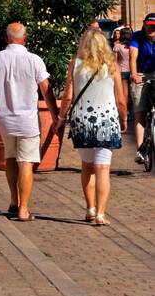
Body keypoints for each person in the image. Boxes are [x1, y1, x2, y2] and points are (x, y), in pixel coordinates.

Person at [0, 23, 60, 222]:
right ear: (25, 38)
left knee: (10, 158)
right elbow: (46, 90)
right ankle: (24, 209)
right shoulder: (34, 60)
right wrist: (56, 116)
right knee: (26, 162)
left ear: (6, 38)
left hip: (4, 119)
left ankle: (14, 202)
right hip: (28, 121)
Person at [58, 28, 127, 225]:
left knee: (87, 167)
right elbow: (120, 99)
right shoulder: (112, 66)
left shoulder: (75, 64)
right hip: (106, 121)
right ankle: (101, 214)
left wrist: (61, 118)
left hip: (82, 122)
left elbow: (68, 96)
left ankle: (90, 208)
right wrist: (123, 119)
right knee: (103, 169)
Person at [128, 14, 155, 165]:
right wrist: (133, 74)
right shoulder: (137, 36)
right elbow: (133, 55)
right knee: (140, 110)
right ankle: (140, 149)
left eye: (154, 26)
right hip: (141, 74)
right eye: (148, 25)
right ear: (144, 25)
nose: (151, 29)